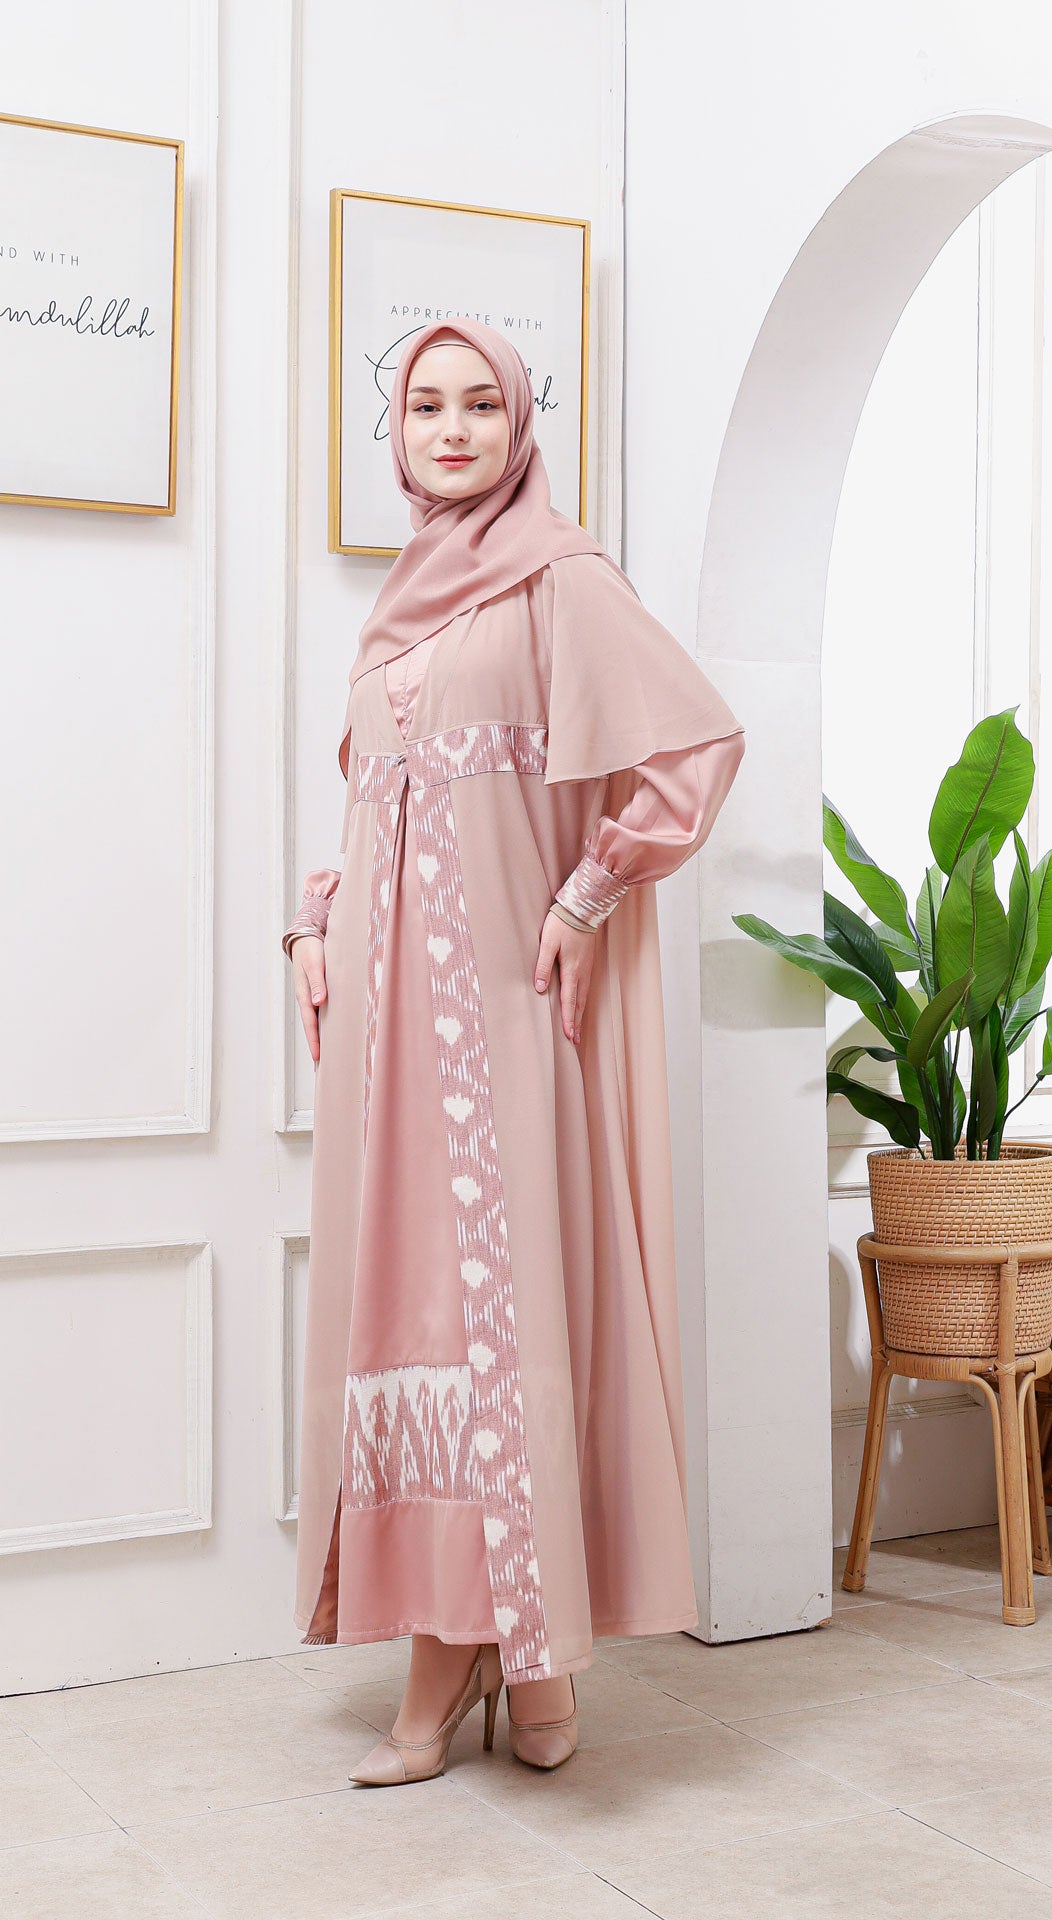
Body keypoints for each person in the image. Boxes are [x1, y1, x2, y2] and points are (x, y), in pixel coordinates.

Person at [283, 317, 746, 1786]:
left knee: (509, 1306)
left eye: (482, 404)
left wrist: (586, 894)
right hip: (385, 1040)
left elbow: (694, 747)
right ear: (397, 437)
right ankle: (451, 1648)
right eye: (426, 406)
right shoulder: (400, 606)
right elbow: (377, 805)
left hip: (501, 1013)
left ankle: (524, 1654)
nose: (454, 428)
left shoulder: (561, 580)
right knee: (409, 1316)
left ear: (522, 424)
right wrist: (311, 924)